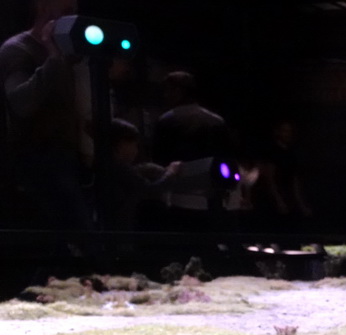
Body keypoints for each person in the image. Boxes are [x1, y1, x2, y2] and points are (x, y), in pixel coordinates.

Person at [0, 0, 93, 232]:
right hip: (37, 158)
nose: (73, 16)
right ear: (43, 7)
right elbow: (21, 103)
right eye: (67, 11)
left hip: (66, 157)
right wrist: (53, 58)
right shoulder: (18, 49)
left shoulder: (68, 54)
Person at [152, 70, 231, 228]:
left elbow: (160, 158)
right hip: (211, 194)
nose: (165, 95)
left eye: (168, 90)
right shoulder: (216, 121)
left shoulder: (167, 121)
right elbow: (225, 159)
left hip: (178, 194)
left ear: (178, 91)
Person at [107, 118, 179, 231]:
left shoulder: (111, 166)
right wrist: (171, 172)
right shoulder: (119, 168)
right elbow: (149, 190)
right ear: (122, 144)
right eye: (134, 145)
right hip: (122, 229)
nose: (136, 151)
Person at [250, 118, 312, 231]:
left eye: (289, 131)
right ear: (277, 132)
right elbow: (270, 178)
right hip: (273, 198)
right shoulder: (272, 151)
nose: (287, 134)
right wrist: (278, 200)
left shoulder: (291, 153)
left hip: (288, 196)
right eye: (284, 131)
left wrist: (300, 203)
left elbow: (294, 179)